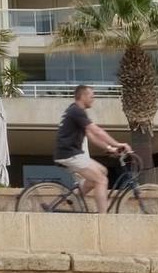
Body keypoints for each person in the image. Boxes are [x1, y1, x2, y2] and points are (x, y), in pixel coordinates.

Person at [53, 84, 131, 213]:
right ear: (83, 96)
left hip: (72, 153)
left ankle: (75, 197)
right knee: (102, 180)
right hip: (70, 154)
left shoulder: (77, 111)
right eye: (91, 96)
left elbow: (92, 137)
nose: (93, 99)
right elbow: (97, 131)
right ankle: (103, 218)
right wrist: (118, 144)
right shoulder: (76, 111)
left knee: (103, 171)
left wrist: (110, 148)